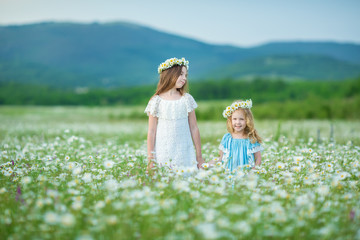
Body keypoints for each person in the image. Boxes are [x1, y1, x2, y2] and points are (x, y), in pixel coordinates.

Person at [145, 57, 204, 172]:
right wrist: (151, 159)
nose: (184, 79)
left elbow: (194, 128)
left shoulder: (187, 99)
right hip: (164, 151)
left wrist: (199, 156)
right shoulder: (156, 101)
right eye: (181, 74)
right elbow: (151, 131)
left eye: (186, 75)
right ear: (170, 74)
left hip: (185, 151)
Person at [210, 99, 263, 172]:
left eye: (241, 119)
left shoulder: (251, 138)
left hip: (246, 176)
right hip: (230, 175)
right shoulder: (227, 138)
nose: (238, 122)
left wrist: (253, 171)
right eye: (234, 119)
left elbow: (258, 158)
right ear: (230, 120)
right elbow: (220, 158)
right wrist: (208, 165)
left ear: (247, 120)